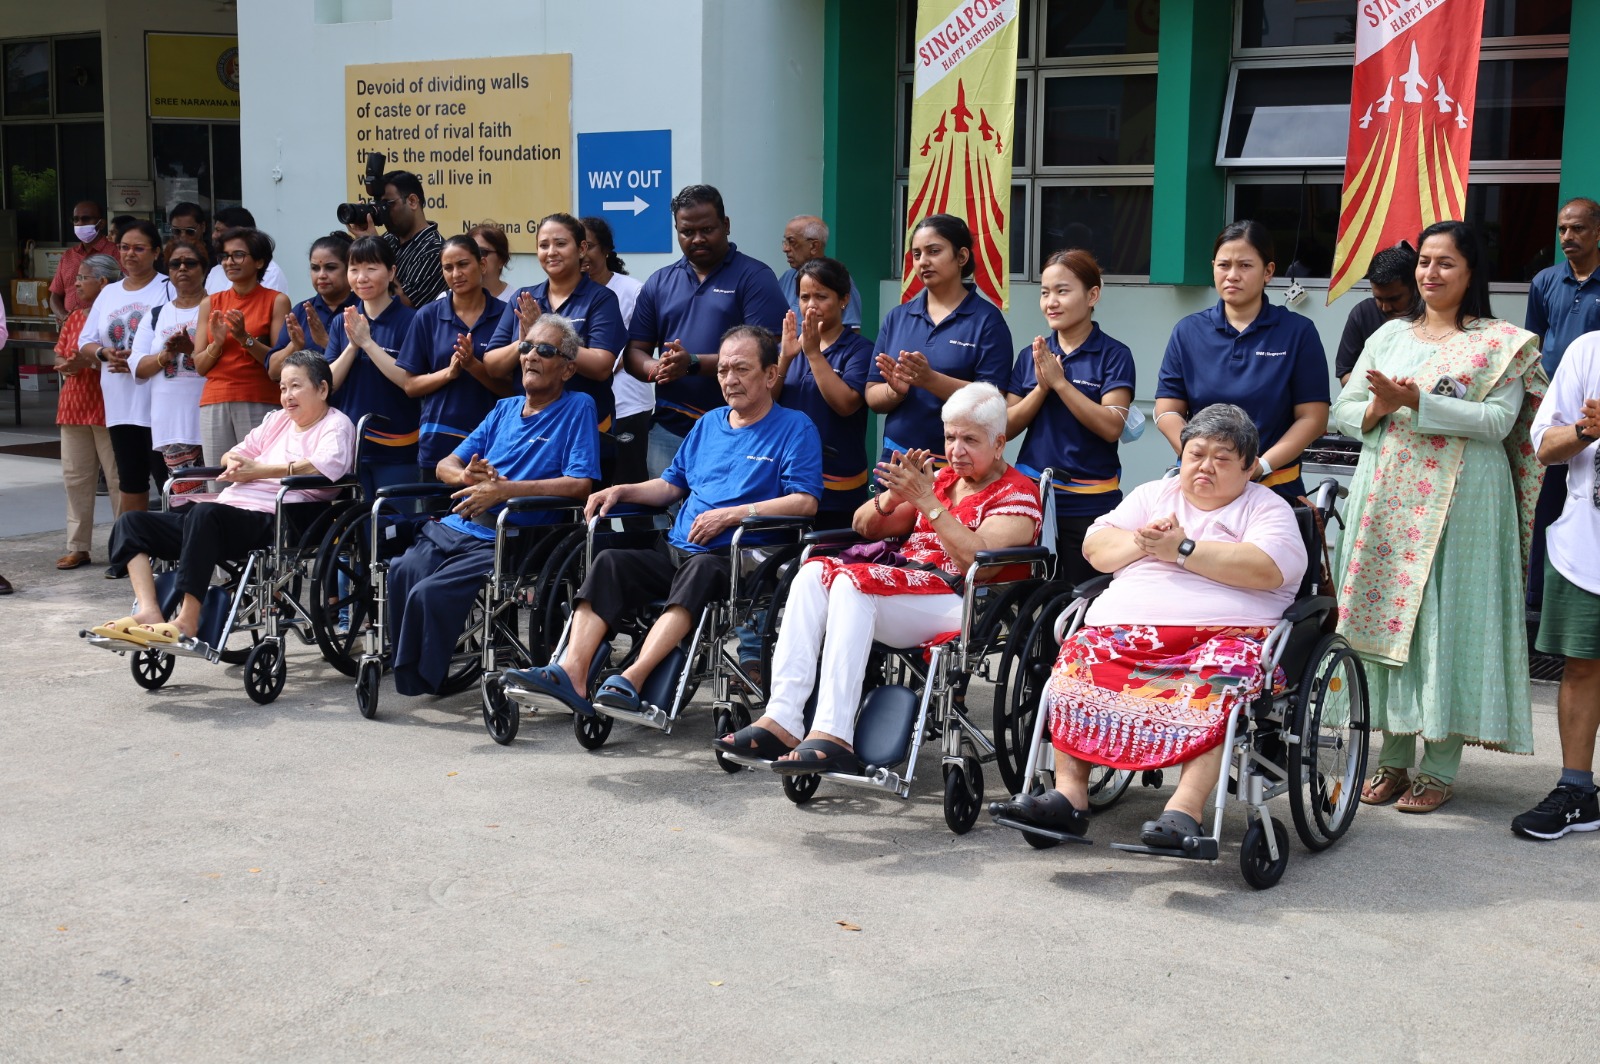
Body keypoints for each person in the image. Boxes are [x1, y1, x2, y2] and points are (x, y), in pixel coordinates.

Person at [993, 404, 1307, 846]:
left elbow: (1267, 568)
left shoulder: (1266, 508)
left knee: (1225, 676)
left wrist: (1181, 549)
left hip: (1224, 638)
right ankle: (1069, 795)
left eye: (1222, 458)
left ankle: (1184, 811)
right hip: (1125, 631)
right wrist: (1143, 541)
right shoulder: (1152, 495)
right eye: (1195, 454)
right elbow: (1097, 549)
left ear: (1250, 466)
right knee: (1077, 657)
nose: (1204, 466)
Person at [717, 382, 1042, 769]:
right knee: (812, 573)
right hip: (905, 586)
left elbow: (977, 559)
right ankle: (782, 719)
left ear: (1000, 443)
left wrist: (927, 502)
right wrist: (893, 495)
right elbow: (865, 527)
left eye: (969, 439)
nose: (955, 450)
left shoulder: (1018, 494)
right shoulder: (941, 481)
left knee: (850, 584)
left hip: (965, 601)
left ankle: (833, 733)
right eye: (950, 437)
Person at [1336, 220, 1546, 814]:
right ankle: (1393, 759)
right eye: (1425, 261)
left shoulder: (1501, 342)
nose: (1430, 273)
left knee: (1450, 621)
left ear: (1471, 272)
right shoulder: (1388, 335)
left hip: (1466, 501)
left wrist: (1417, 404)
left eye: (1445, 263)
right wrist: (1378, 407)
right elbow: (1345, 410)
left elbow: (1498, 424)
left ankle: (1441, 767)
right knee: (1389, 620)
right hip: (1388, 497)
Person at [510, 325, 821, 715]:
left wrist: (733, 515)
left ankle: (633, 677)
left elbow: (805, 502)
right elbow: (670, 486)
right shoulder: (710, 423)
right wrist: (621, 490)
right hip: (679, 551)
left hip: (738, 562)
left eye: (741, 369)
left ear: (771, 375)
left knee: (701, 569)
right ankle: (572, 672)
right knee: (610, 562)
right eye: (723, 370)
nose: (729, 380)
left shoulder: (795, 427)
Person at [385, 316, 600, 696]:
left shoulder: (578, 406)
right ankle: (410, 668)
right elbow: (444, 465)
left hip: (514, 535)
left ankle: (424, 675)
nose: (532, 356)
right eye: (526, 347)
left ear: (568, 368)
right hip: (461, 524)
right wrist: (467, 478)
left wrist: (504, 491)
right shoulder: (504, 409)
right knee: (403, 569)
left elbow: (581, 483)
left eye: (545, 350)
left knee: (429, 593)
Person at [89, 353, 356, 647]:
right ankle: (149, 610)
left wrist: (261, 471)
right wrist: (237, 463)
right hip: (229, 513)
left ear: (322, 389)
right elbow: (232, 454)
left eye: (295, 386)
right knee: (132, 523)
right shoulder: (277, 420)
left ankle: (188, 619)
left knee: (206, 515)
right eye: (282, 388)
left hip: (280, 517)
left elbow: (325, 467)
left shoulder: (336, 425)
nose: (287, 396)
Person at [1153, 220, 1330, 502]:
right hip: (1202, 490)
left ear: (1268, 271)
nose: (1232, 275)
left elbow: (1313, 417)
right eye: (1224, 265)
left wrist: (1260, 466)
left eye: (1245, 266)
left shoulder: (1298, 332)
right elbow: (1166, 411)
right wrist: (1199, 459)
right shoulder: (1188, 331)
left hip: (1274, 490)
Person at [622, 185, 787, 476]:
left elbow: (770, 351)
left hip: (737, 427)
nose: (697, 238)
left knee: (721, 514)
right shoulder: (660, 282)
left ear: (726, 225)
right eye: (687, 232)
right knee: (667, 518)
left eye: (707, 229)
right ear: (676, 230)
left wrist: (693, 364)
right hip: (668, 429)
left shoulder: (755, 277)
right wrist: (658, 367)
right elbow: (635, 351)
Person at [1005, 249, 1136, 586]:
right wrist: (1042, 387)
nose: (1052, 301)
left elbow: (1111, 427)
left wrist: (1061, 384)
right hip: (1032, 497)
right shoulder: (1030, 355)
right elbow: (1005, 426)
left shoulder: (1115, 355)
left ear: (1093, 295)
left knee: (1082, 598)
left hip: (1089, 503)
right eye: (1045, 292)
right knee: (1029, 598)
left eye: (1062, 291)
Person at [1514, 331, 1600, 839]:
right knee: (1582, 668)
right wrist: (1587, 430)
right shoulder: (1588, 350)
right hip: (1586, 547)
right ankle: (1577, 792)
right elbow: (1544, 446)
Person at [867, 213, 1013, 459]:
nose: (923, 261)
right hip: (897, 461)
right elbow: (872, 394)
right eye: (916, 254)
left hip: (958, 465)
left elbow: (993, 401)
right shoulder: (898, 317)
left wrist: (930, 379)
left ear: (962, 256)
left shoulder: (987, 321)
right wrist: (895, 392)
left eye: (933, 251)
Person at [485, 213, 625, 464]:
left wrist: (546, 336)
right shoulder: (525, 297)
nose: (551, 252)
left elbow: (602, 366)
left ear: (581, 248)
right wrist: (524, 342)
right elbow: (493, 365)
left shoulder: (601, 299)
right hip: (528, 430)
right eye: (543, 245)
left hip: (584, 429)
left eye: (561, 244)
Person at [76, 219, 174, 575]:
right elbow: (84, 341)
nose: (129, 254)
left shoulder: (167, 289)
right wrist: (104, 354)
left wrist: (139, 359)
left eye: (138, 248)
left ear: (156, 252)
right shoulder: (110, 292)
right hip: (120, 401)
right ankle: (133, 555)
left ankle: (176, 551)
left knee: (169, 481)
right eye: (124, 248)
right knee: (130, 480)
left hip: (160, 401)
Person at [1525, 198, 1600, 610]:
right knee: (1546, 504)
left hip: (1594, 414)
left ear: (1598, 232)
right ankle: (1538, 601)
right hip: (1552, 415)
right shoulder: (1545, 281)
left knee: (1588, 502)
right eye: (1562, 230)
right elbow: (1532, 343)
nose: (1568, 237)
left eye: (1578, 229)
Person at [774, 256, 873, 530]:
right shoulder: (790, 347)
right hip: (789, 479)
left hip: (837, 484)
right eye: (804, 297)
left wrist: (814, 353)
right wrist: (784, 358)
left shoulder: (859, 350)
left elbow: (845, 404)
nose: (811, 305)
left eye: (821, 296)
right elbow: (766, 405)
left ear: (843, 299)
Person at [395, 235, 511, 469]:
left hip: (494, 442)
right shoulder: (427, 316)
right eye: (448, 268)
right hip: (439, 443)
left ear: (482, 265)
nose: (456, 274)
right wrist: (448, 373)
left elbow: (513, 388)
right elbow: (410, 386)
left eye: (463, 264)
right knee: (437, 507)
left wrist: (473, 366)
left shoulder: (506, 315)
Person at [322, 235, 421, 489]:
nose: (361, 277)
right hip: (352, 445)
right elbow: (327, 384)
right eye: (354, 269)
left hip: (398, 446)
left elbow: (408, 381)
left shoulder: (411, 321)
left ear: (391, 272)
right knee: (356, 524)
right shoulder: (341, 322)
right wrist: (353, 346)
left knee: (394, 525)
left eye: (371, 268)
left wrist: (367, 343)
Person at [192, 227, 291, 467]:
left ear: (259, 262)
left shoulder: (276, 300)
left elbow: (280, 364)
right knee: (219, 482)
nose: (229, 262)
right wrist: (216, 343)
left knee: (257, 480)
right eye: (225, 256)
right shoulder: (210, 303)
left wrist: (244, 338)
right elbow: (200, 366)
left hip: (258, 398)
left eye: (238, 255)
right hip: (215, 399)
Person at [52, 253, 124, 570]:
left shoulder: (118, 314)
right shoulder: (75, 317)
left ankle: (127, 547)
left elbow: (122, 357)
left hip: (111, 407)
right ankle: (77, 546)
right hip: (74, 405)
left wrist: (91, 361)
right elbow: (61, 357)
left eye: (83, 278)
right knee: (76, 478)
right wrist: (71, 366)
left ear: (104, 282)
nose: (77, 284)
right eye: (77, 277)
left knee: (118, 480)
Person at [132, 237, 210, 496]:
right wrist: (165, 356)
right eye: (175, 264)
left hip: (208, 420)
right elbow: (139, 367)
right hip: (170, 424)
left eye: (190, 263)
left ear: (204, 269)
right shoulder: (156, 315)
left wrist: (191, 350)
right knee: (180, 500)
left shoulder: (217, 309)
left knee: (213, 499)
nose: (182, 269)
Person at [580, 215, 650, 486]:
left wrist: (602, 365)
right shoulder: (570, 293)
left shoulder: (633, 290)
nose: (584, 255)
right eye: (579, 247)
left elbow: (638, 344)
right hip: (586, 407)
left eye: (590, 247)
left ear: (606, 249)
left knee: (631, 486)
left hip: (628, 404)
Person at [345, 170, 445, 306]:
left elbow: (406, 304)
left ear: (412, 201)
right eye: (378, 206)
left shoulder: (435, 250)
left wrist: (376, 249)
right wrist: (365, 244)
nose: (382, 212)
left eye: (387, 204)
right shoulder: (390, 238)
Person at [268, 233, 359, 374]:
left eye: (330, 267)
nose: (321, 275)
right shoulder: (301, 311)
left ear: (349, 269)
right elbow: (273, 372)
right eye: (315, 268)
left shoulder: (363, 309)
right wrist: (294, 346)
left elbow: (369, 370)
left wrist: (326, 342)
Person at [1334, 242, 1419, 385]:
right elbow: (1345, 375)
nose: (1385, 307)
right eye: (1378, 298)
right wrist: (1385, 388)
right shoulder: (1363, 313)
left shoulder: (1433, 315)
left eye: (1394, 298)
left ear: (1416, 286)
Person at [778, 215, 862, 329]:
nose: (785, 249)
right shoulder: (787, 278)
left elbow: (852, 332)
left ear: (814, 246)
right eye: (804, 297)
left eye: (792, 242)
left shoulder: (837, 278)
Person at [49, 200, 115, 324]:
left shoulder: (115, 253)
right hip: (70, 329)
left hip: (103, 326)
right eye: (76, 219)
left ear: (101, 224)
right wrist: (65, 318)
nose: (80, 224)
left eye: (86, 219)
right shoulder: (68, 256)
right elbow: (55, 296)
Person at [203, 206, 289, 295]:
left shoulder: (270, 271)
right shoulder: (215, 271)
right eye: (226, 256)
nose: (214, 235)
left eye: (219, 230)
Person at [468, 223, 511, 299]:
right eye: (470, 252)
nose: (475, 258)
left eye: (481, 252)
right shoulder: (448, 299)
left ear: (501, 260)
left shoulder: (517, 301)